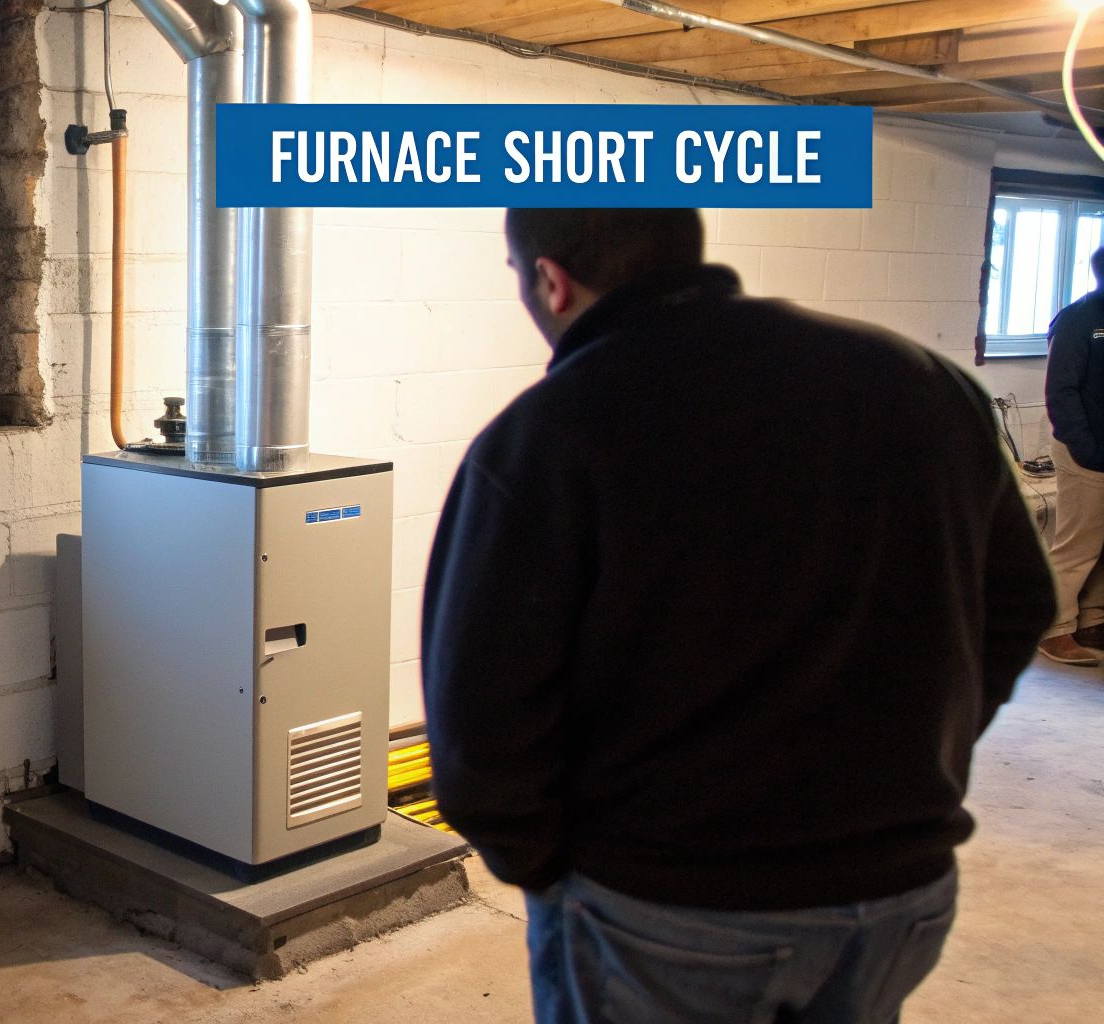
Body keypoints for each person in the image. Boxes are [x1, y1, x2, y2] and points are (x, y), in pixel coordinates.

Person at [421, 208, 1055, 1024]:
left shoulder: (551, 431)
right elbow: (1021, 602)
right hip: (902, 890)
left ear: (551, 279)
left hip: (671, 908)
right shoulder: (919, 381)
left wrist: (541, 863)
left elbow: (480, 711)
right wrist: (923, 754)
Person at [1041, 247, 1104, 665]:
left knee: (1101, 541)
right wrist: (1085, 448)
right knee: (1078, 545)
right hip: (1086, 450)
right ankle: (1052, 629)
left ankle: (1092, 619)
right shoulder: (1079, 318)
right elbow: (1060, 392)